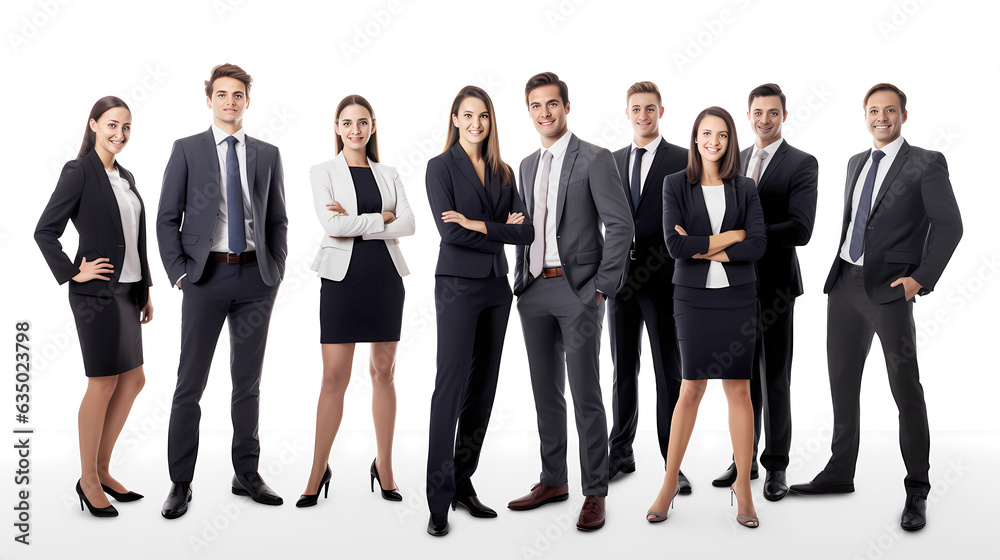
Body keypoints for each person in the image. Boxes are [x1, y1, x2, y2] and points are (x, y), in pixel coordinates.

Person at [789, 83, 962, 532]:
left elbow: (950, 225)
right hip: (844, 283)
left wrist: (919, 279)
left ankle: (917, 491)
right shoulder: (854, 162)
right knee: (842, 386)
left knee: (906, 390)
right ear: (864, 115)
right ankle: (839, 473)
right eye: (873, 110)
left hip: (889, 291)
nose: (881, 117)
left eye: (890, 110)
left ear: (905, 114)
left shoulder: (926, 162)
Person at [156, 63, 288, 519]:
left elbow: (277, 220)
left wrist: (277, 269)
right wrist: (179, 274)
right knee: (189, 384)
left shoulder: (268, 154)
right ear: (209, 99)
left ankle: (246, 474)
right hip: (204, 278)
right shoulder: (187, 150)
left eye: (238, 95)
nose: (230, 101)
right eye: (222, 94)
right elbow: (166, 217)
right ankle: (180, 482)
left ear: (248, 101)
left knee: (247, 384)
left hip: (256, 279)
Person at [507, 72, 633, 532]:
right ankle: (553, 479)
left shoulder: (595, 159)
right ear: (529, 111)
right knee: (545, 393)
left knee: (586, 395)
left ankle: (595, 492)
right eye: (536, 106)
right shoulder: (525, 164)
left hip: (579, 291)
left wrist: (601, 287)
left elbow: (621, 226)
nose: (545, 112)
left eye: (552, 104)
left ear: (566, 106)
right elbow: (524, 226)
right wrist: (520, 274)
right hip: (534, 290)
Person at [647, 106, 765, 529]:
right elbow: (675, 248)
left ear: (731, 140)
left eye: (722, 134)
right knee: (690, 388)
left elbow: (758, 245)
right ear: (695, 138)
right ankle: (667, 484)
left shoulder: (746, 187)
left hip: (737, 298)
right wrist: (732, 236)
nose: (713, 141)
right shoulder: (674, 184)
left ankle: (744, 489)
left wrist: (705, 244)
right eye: (705, 133)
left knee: (739, 388)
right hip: (692, 299)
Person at [35, 96, 153, 518]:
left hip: (129, 291)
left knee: (134, 379)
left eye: (126, 128)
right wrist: (72, 272)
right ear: (93, 125)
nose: (119, 134)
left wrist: (146, 289)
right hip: (97, 295)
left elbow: (135, 237)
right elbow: (45, 230)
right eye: (111, 125)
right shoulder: (79, 171)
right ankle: (87, 478)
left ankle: (103, 469)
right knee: (102, 383)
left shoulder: (126, 176)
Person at [425, 85, 533, 537]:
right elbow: (450, 235)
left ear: (491, 121)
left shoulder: (504, 172)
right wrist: (495, 229)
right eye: (467, 115)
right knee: (448, 389)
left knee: (482, 390)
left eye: (483, 115)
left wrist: (476, 224)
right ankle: (437, 499)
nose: (476, 123)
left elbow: (525, 233)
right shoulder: (439, 168)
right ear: (454, 118)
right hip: (455, 286)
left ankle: (463, 480)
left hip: (495, 287)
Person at [297, 95, 415, 508]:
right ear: (336, 127)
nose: (355, 130)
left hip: (384, 279)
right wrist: (381, 219)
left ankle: (385, 466)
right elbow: (331, 224)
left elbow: (410, 222)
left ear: (373, 126)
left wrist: (356, 222)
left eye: (362, 122)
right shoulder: (322, 171)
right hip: (341, 281)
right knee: (333, 379)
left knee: (384, 371)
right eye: (347, 123)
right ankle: (317, 470)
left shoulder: (389, 172)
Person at [711, 84, 818, 502]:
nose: (764, 120)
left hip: (775, 288)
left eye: (772, 113)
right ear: (749, 114)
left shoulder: (801, 163)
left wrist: (746, 237)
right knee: (740, 379)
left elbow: (801, 229)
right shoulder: (731, 160)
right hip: (733, 286)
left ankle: (777, 467)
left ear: (784, 116)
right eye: (757, 112)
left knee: (774, 378)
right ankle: (744, 460)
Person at [607, 81, 691, 492]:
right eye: (636, 108)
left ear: (661, 111)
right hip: (621, 281)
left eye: (650, 109)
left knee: (668, 371)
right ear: (627, 112)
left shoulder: (683, 159)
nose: (643, 115)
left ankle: (672, 461)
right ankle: (620, 451)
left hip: (664, 280)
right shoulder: (612, 160)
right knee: (623, 368)